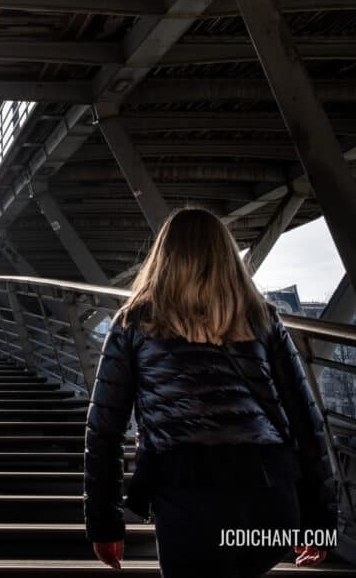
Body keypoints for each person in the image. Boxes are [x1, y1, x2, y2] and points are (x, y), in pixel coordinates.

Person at [84, 208, 336, 578]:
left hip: (187, 503)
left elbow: (104, 431)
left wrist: (104, 523)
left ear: (163, 259)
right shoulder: (261, 318)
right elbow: (305, 422)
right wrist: (321, 520)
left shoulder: (133, 323)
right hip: (268, 497)